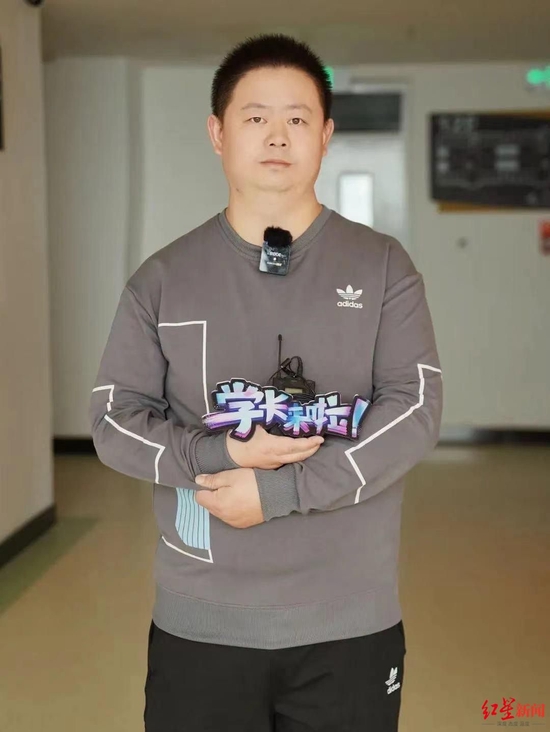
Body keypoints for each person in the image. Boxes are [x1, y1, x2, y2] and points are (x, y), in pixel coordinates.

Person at [89, 33, 443, 732]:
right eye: (255, 117)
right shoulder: (162, 280)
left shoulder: (382, 268)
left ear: (326, 136)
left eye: (298, 118)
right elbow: (113, 421)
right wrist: (217, 453)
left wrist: (282, 491)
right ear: (218, 133)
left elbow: (417, 409)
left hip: (349, 618)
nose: (277, 136)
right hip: (202, 621)